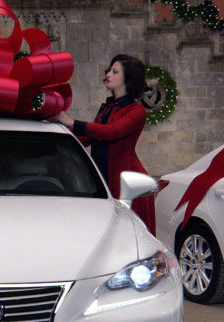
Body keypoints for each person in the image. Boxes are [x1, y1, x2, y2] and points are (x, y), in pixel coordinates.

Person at [50, 54, 155, 234]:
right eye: (109, 70)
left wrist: (71, 122)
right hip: (103, 178)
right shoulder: (107, 108)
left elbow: (112, 132)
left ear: (128, 78)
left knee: (129, 234)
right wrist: (58, 129)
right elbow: (88, 138)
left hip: (127, 182)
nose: (108, 74)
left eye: (115, 71)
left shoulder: (136, 110)